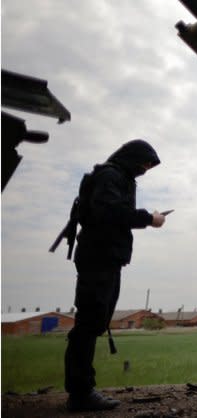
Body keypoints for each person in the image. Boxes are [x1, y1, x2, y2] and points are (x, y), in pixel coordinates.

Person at [64, 140, 167, 412]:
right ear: (133, 157)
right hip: (98, 258)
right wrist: (149, 218)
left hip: (106, 259)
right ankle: (80, 393)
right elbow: (109, 212)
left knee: (95, 321)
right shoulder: (111, 176)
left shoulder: (118, 176)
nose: (146, 169)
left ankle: (82, 391)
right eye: (145, 163)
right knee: (88, 324)